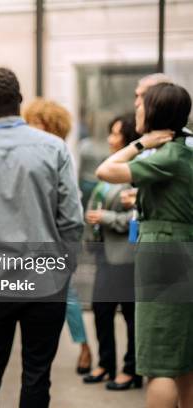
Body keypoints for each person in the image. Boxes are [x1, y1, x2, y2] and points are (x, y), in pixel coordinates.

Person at [0, 68, 84, 408]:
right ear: (20, 99)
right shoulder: (54, 149)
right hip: (45, 278)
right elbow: (71, 218)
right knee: (37, 373)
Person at [95, 82, 193, 408]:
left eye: (141, 104)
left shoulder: (166, 153)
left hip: (163, 252)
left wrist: (140, 144)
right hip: (183, 246)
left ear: (155, 112)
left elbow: (105, 170)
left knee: (159, 360)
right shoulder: (187, 146)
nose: (136, 108)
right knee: (183, 356)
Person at [24, 97, 92, 375]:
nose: (31, 129)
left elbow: (70, 202)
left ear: (52, 127)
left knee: (68, 295)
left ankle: (84, 346)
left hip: (51, 239)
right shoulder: (28, 152)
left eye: (37, 125)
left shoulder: (59, 152)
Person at [82, 113, 141, 391]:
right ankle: (106, 364)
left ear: (128, 137)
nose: (110, 138)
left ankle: (131, 370)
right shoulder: (107, 170)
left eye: (116, 133)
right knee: (102, 311)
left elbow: (137, 218)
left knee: (130, 315)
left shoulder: (136, 172)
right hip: (104, 255)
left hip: (126, 257)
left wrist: (105, 218)